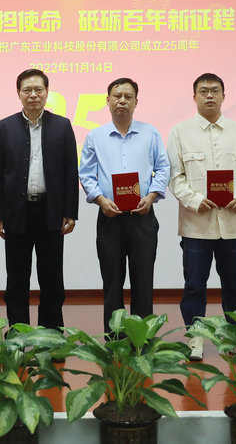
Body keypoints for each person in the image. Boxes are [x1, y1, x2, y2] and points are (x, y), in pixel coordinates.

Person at [167, 73, 236, 360]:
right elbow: (175, 176)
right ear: (194, 97)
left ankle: (235, 337)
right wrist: (195, 200)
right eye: (203, 91)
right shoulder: (179, 132)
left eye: (215, 90)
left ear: (223, 96)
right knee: (194, 286)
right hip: (196, 225)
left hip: (232, 223)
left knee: (235, 287)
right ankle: (195, 338)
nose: (209, 95)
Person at [79, 77, 169, 334]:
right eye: (117, 96)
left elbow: (163, 168)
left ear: (136, 102)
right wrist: (100, 199)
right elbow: (86, 174)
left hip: (143, 216)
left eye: (128, 97)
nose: (122, 101)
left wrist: (151, 196)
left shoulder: (150, 133)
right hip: (110, 218)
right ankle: (115, 338)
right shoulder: (95, 136)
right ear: (107, 101)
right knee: (112, 282)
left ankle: (143, 338)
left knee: (143, 281)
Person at [0, 69, 78, 329]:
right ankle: (18, 334)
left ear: (47, 92)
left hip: (51, 212)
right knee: (17, 279)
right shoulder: (3, 127)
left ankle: (51, 335)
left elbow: (70, 172)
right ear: (18, 93)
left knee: (52, 279)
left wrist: (70, 211)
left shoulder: (62, 126)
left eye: (38, 89)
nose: (33, 95)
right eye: (27, 90)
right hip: (17, 213)